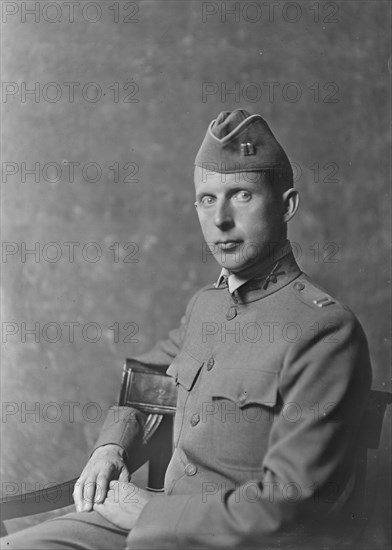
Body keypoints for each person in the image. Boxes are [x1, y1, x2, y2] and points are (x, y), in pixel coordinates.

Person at [1, 110, 372, 549]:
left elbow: (288, 506)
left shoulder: (324, 329)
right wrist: (111, 447)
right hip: (144, 525)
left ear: (287, 204)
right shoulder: (206, 307)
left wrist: (148, 512)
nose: (221, 219)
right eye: (207, 199)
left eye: (242, 195)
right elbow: (145, 384)